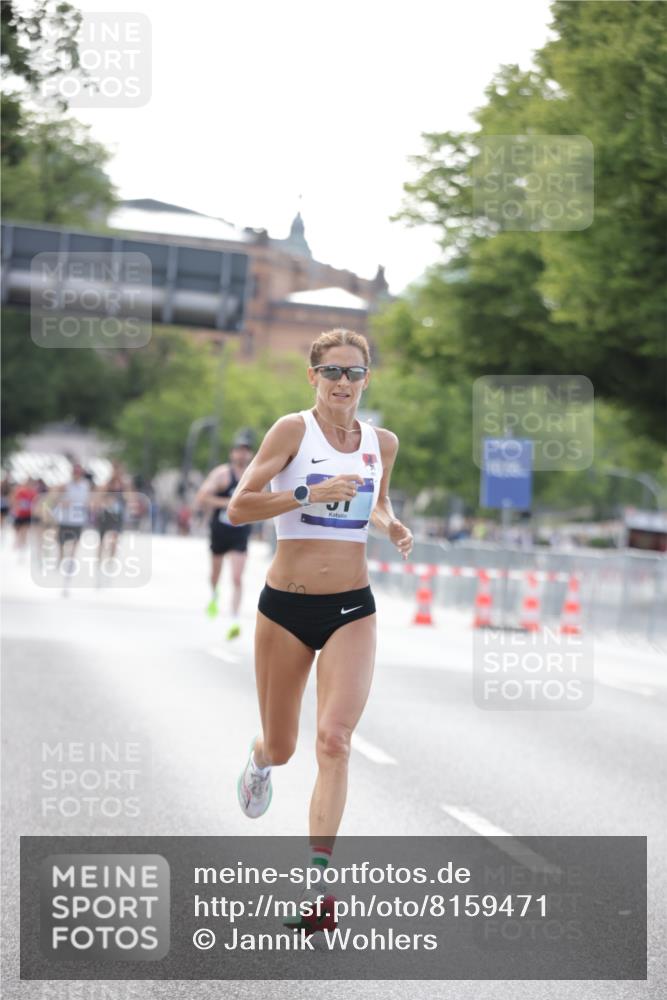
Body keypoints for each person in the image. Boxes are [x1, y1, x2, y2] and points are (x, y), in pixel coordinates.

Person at [227, 328, 413, 934]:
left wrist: (392, 525)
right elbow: (239, 505)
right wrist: (307, 491)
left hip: (352, 609)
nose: (342, 383)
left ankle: (318, 889)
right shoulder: (292, 431)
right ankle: (259, 758)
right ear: (313, 377)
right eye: (331, 372)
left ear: (367, 378)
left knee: (334, 741)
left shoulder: (381, 443)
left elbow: (378, 502)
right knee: (284, 747)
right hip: (285, 608)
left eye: (353, 373)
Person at [195, 430, 256, 640]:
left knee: (237, 577)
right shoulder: (222, 474)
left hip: (241, 532)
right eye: (239, 451)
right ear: (232, 454)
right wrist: (228, 504)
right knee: (216, 573)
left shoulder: (254, 475)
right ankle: (214, 594)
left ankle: (235, 619)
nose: (242, 455)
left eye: (246, 451)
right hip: (220, 530)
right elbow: (202, 496)